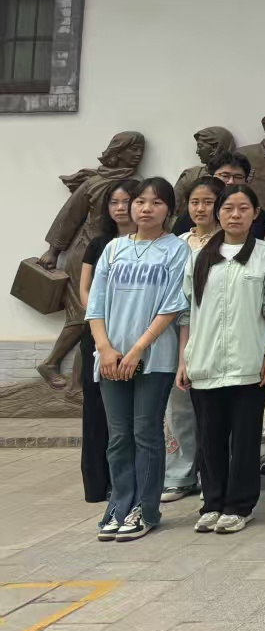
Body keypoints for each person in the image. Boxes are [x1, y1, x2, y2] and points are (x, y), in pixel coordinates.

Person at [177, 184, 265, 535]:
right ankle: (212, 502)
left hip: (249, 361)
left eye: (243, 208)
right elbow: (186, 312)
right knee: (210, 439)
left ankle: (240, 506)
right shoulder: (199, 256)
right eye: (228, 208)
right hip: (204, 360)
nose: (235, 215)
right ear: (218, 213)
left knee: (245, 439)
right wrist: (184, 360)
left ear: (255, 213)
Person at [87, 178, 192, 541]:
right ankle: (118, 506)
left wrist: (137, 350)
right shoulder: (114, 248)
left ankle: (144, 510)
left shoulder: (177, 249)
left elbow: (173, 305)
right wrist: (105, 348)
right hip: (110, 358)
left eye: (156, 202)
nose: (146, 208)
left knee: (145, 434)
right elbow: (95, 304)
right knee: (118, 436)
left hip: (154, 358)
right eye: (140, 201)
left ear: (169, 210)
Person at [162, 178, 223, 503]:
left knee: (215, 408)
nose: (201, 209)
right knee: (180, 405)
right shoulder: (177, 243)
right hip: (178, 331)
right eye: (195, 202)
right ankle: (180, 474)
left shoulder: (230, 242)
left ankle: (214, 475)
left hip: (217, 329)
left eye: (208, 202)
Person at [77, 179, 138, 504]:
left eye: (126, 201)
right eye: (114, 202)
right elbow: (85, 290)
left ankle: (130, 479)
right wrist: (102, 322)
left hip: (137, 335)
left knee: (133, 414)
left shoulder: (152, 245)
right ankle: (97, 483)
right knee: (97, 410)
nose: (120, 208)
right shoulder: (99, 244)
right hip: (99, 336)